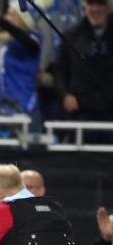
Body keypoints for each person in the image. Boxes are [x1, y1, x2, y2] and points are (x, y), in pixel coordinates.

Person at [55, 0, 113, 141]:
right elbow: (60, 71)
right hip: (80, 112)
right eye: (91, 4)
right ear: (85, 7)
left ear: (109, 7)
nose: (96, 9)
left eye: (100, 4)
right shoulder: (71, 36)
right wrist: (65, 95)